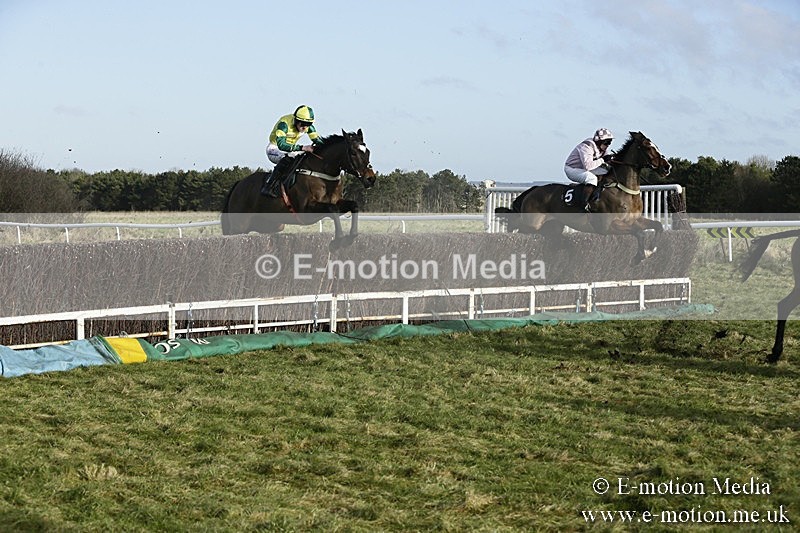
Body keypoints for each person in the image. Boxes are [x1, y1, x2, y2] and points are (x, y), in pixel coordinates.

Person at [262, 105, 324, 196]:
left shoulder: (307, 127)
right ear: (296, 120)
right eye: (302, 124)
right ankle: (268, 186)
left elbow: (318, 141)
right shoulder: (284, 124)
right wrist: (303, 147)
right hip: (274, 148)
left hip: (290, 151)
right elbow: (281, 145)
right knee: (286, 158)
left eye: (308, 125)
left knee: (304, 158)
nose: (305, 128)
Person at [564, 128, 614, 211]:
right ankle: (584, 205)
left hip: (583, 168)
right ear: (598, 141)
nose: (608, 144)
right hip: (572, 169)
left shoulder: (601, 148)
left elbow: (607, 161)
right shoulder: (586, 147)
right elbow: (588, 166)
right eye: (607, 142)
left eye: (610, 142)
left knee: (607, 172)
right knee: (592, 179)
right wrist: (603, 160)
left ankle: (597, 196)